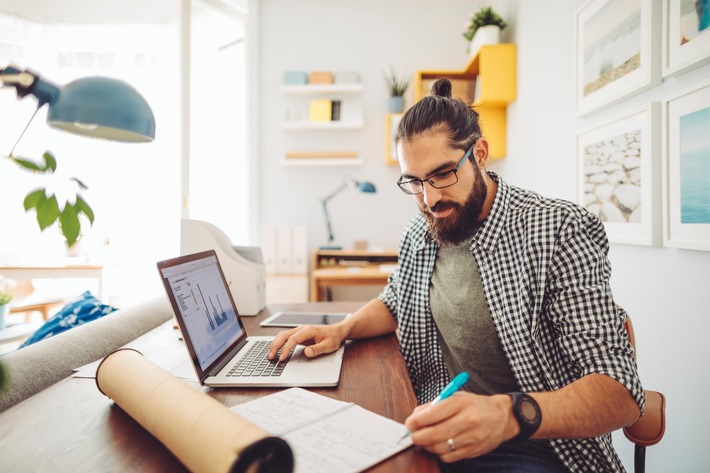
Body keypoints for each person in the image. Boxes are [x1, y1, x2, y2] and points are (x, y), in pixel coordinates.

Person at [268, 78, 644, 472]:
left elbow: (619, 391)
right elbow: (397, 302)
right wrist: (341, 329)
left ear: (479, 154)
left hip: (538, 443)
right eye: (414, 181)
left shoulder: (559, 228)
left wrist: (504, 415)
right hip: (441, 427)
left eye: (443, 173)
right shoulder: (422, 230)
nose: (429, 199)